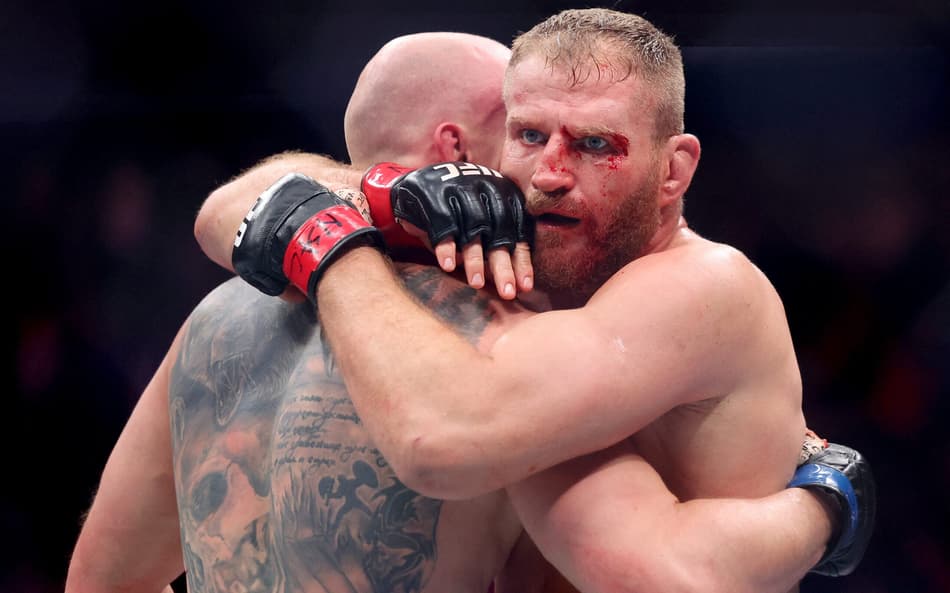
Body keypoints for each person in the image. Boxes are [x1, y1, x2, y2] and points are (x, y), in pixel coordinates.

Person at [67, 29, 867, 593]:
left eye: (590, 143)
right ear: (459, 157)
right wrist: (828, 501)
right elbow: (654, 570)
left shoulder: (214, 321)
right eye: (518, 131)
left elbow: (103, 578)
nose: (540, 175)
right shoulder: (495, 346)